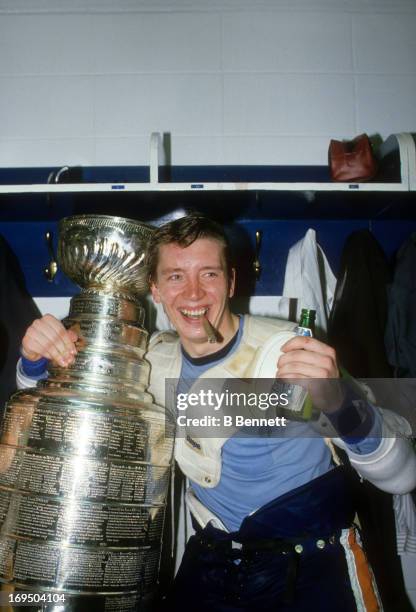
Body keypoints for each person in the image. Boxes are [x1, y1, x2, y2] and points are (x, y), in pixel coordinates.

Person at [17, 215, 416, 612]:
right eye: (175, 276)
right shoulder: (154, 364)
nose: (193, 294)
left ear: (231, 281)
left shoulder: (291, 352)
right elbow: (46, 401)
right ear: (154, 289)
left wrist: (339, 400)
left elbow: (401, 476)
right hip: (213, 566)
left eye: (208, 274)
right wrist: (37, 357)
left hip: (313, 570)